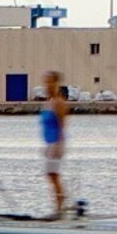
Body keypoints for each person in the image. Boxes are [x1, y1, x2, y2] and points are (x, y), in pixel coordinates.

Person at [38, 72, 71, 217]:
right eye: (46, 82)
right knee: (50, 175)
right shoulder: (48, 102)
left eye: (50, 82)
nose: (47, 85)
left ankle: (60, 206)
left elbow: (63, 124)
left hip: (56, 142)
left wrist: (57, 146)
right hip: (49, 142)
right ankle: (60, 203)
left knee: (53, 174)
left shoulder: (58, 102)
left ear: (56, 84)